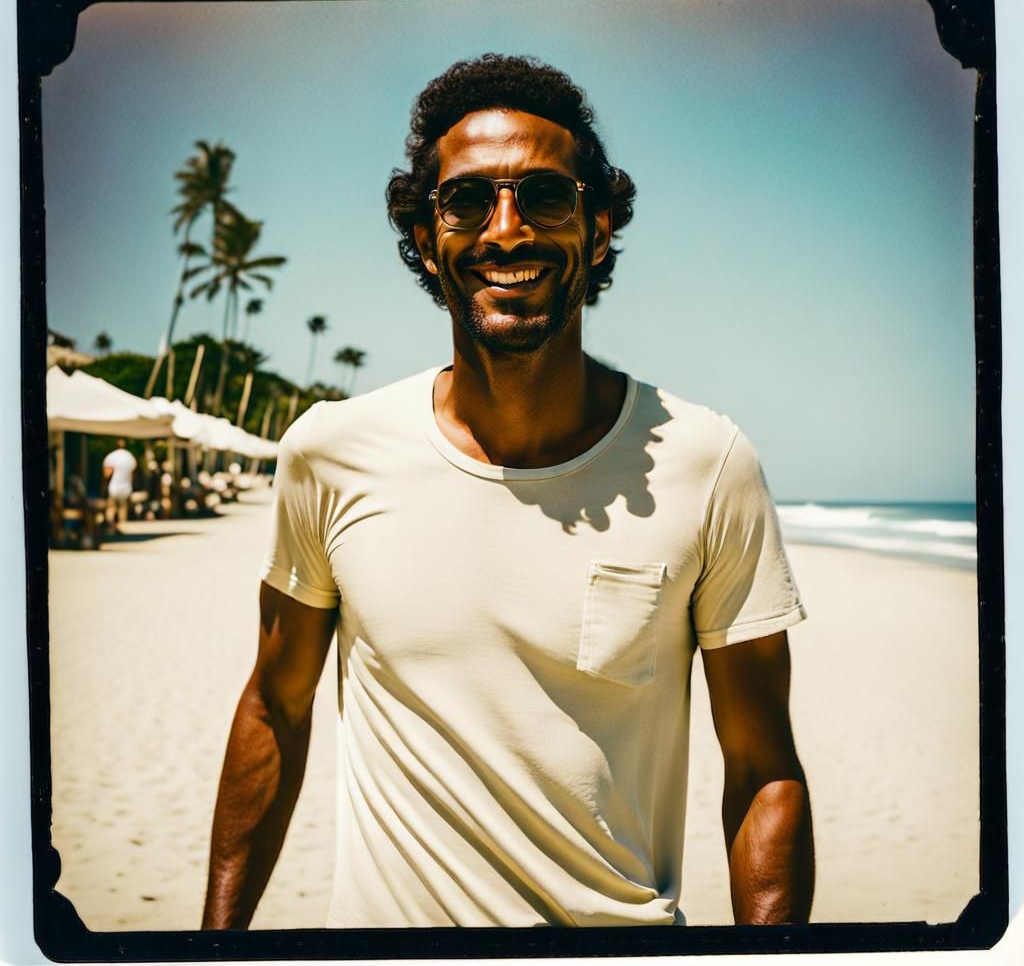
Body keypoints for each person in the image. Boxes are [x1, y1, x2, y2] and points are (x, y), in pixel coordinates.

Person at [203, 54, 814, 929]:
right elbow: (275, 704)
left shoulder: (708, 463)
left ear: (598, 228)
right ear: (425, 235)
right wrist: (213, 946)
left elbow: (763, 770)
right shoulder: (330, 454)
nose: (506, 230)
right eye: (466, 201)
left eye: (545, 197)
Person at [102, 438, 137, 530]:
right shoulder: (130, 457)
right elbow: (132, 475)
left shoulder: (111, 457)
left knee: (111, 507)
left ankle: (111, 526)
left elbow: (106, 474)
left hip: (114, 486)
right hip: (126, 487)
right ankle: (121, 527)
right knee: (123, 507)